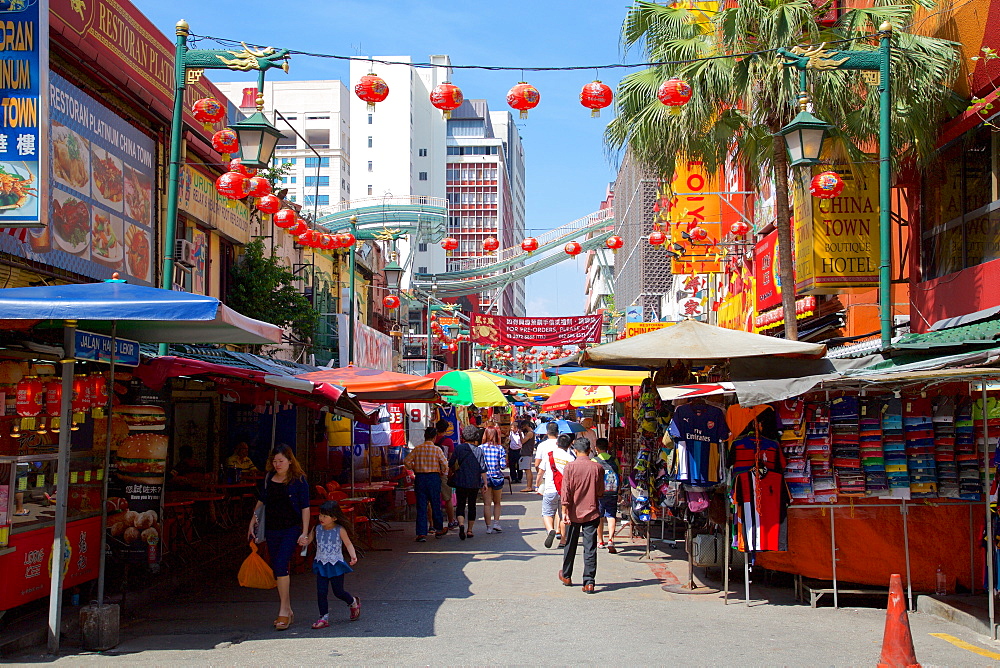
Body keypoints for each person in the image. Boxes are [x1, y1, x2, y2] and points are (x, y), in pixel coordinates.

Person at [247, 444, 311, 630]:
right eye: (274, 461)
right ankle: (288, 608)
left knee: (282, 563)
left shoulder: (299, 481)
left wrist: (304, 531)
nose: (277, 464)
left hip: (291, 528)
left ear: (290, 461)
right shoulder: (268, 478)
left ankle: (283, 610)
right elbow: (262, 500)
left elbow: (305, 507)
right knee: (277, 567)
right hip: (272, 529)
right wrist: (253, 519)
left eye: (281, 461)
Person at [558, 437, 604, 593]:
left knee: (570, 545)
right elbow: (600, 491)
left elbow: (566, 491)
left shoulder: (570, 467)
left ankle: (566, 575)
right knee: (590, 547)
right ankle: (589, 581)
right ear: (590, 450)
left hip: (572, 512)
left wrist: (564, 511)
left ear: (575, 451)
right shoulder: (597, 468)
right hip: (591, 512)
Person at [308, 500, 361, 629]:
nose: (321, 518)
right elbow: (308, 540)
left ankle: (352, 602)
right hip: (321, 563)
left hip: (335, 563)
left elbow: (348, 543)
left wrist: (353, 556)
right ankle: (323, 617)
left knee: (338, 591)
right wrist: (302, 539)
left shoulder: (339, 530)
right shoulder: (316, 529)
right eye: (320, 515)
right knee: (321, 592)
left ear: (334, 518)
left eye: (325, 516)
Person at [403, 426, 450, 542]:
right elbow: (445, 464)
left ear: (425, 437)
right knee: (435, 504)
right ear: (434, 437)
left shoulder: (417, 449)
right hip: (434, 478)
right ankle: (438, 529)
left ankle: (421, 533)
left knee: (421, 506)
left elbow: (406, 462)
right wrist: (442, 472)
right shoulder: (437, 449)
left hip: (420, 478)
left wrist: (414, 468)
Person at [536, 432, 573, 549]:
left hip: (550, 489)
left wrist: (537, 485)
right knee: (563, 515)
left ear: (557, 443)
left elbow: (540, 472)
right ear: (569, 445)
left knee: (547, 513)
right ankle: (563, 540)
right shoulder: (571, 458)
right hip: (565, 492)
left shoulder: (549, 455)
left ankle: (551, 530)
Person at [450, 425, 487, 540]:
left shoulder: (458, 449)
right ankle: (470, 530)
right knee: (472, 505)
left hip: (460, 481)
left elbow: (451, 463)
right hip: (474, 482)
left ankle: (461, 524)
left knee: (460, 504)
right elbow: (483, 469)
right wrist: (485, 483)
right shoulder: (479, 450)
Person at [593, 438, 620, 554]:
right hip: (612, 492)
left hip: (599, 493)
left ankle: (600, 541)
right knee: (611, 515)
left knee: (599, 516)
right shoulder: (614, 460)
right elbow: (619, 474)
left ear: (596, 448)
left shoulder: (594, 460)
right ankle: (611, 540)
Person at [479, 425, 508, 533]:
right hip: (497, 477)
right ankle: (496, 523)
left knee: (487, 503)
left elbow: (479, 465)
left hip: (484, 478)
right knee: (497, 502)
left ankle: (488, 527)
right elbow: (503, 465)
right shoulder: (500, 448)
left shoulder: (480, 448)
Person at [434, 419, 458, 529]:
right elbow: (451, 457)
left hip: (432, 471)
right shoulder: (448, 441)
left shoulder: (432, 440)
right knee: (447, 498)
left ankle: (432, 523)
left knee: (433, 498)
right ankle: (451, 520)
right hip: (444, 472)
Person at [518, 421, 537, 492]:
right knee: (528, 470)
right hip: (528, 453)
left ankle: (529, 486)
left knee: (527, 470)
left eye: (522, 427)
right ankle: (529, 486)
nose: (522, 429)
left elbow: (522, 441)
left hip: (527, 453)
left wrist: (520, 435)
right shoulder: (531, 433)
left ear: (526, 425)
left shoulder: (530, 433)